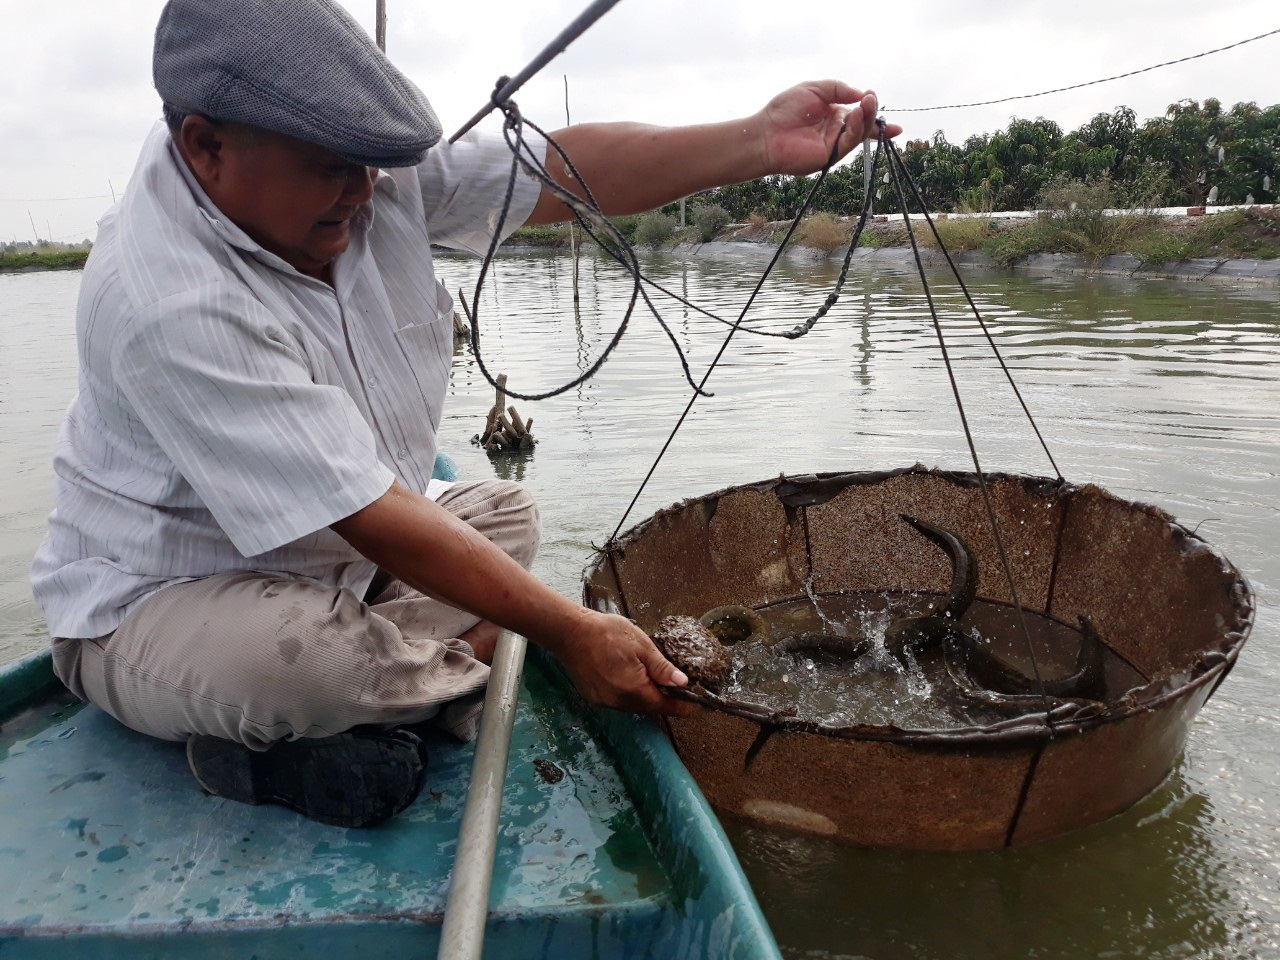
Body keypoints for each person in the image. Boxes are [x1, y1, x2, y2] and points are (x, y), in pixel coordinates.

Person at [30, 0, 902, 827]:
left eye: (371, 164)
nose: (364, 191)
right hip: (160, 602)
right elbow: (369, 515)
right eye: (330, 169)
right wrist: (566, 631)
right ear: (205, 145)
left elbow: (562, 173)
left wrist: (758, 140)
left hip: (336, 567)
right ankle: (318, 724)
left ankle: (406, 694)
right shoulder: (166, 296)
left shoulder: (356, 172)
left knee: (508, 512)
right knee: (318, 662)